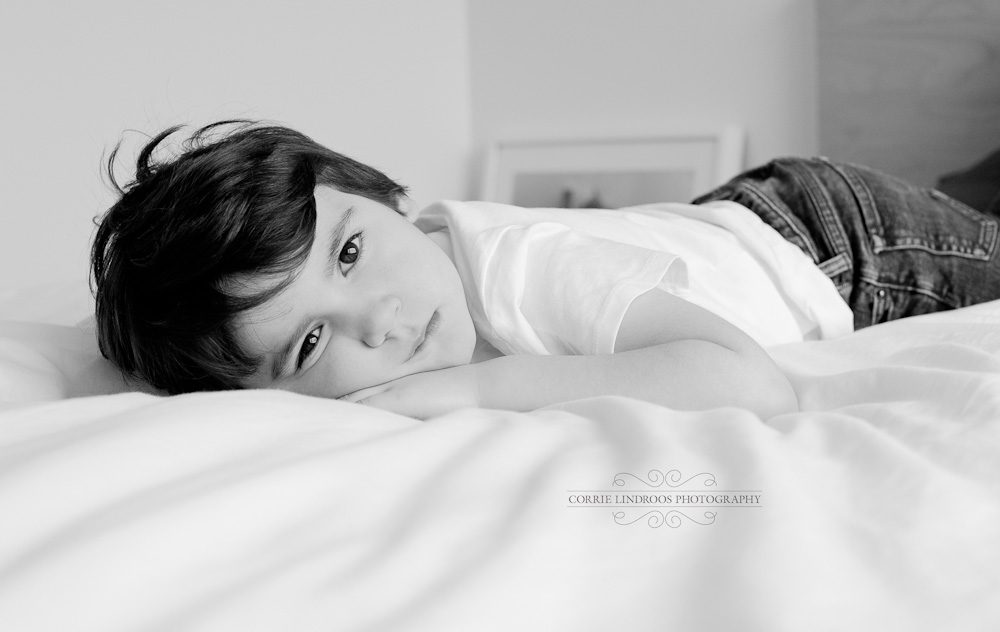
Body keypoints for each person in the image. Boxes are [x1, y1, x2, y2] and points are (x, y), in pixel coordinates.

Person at [90, 120, 1000, 419]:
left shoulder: (523, 271)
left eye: (351, 251)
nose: (380, 318)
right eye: (311, 342)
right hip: (725, 224)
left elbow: (750, 384)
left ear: (375, 195)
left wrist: (479, 390)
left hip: (839, 242)